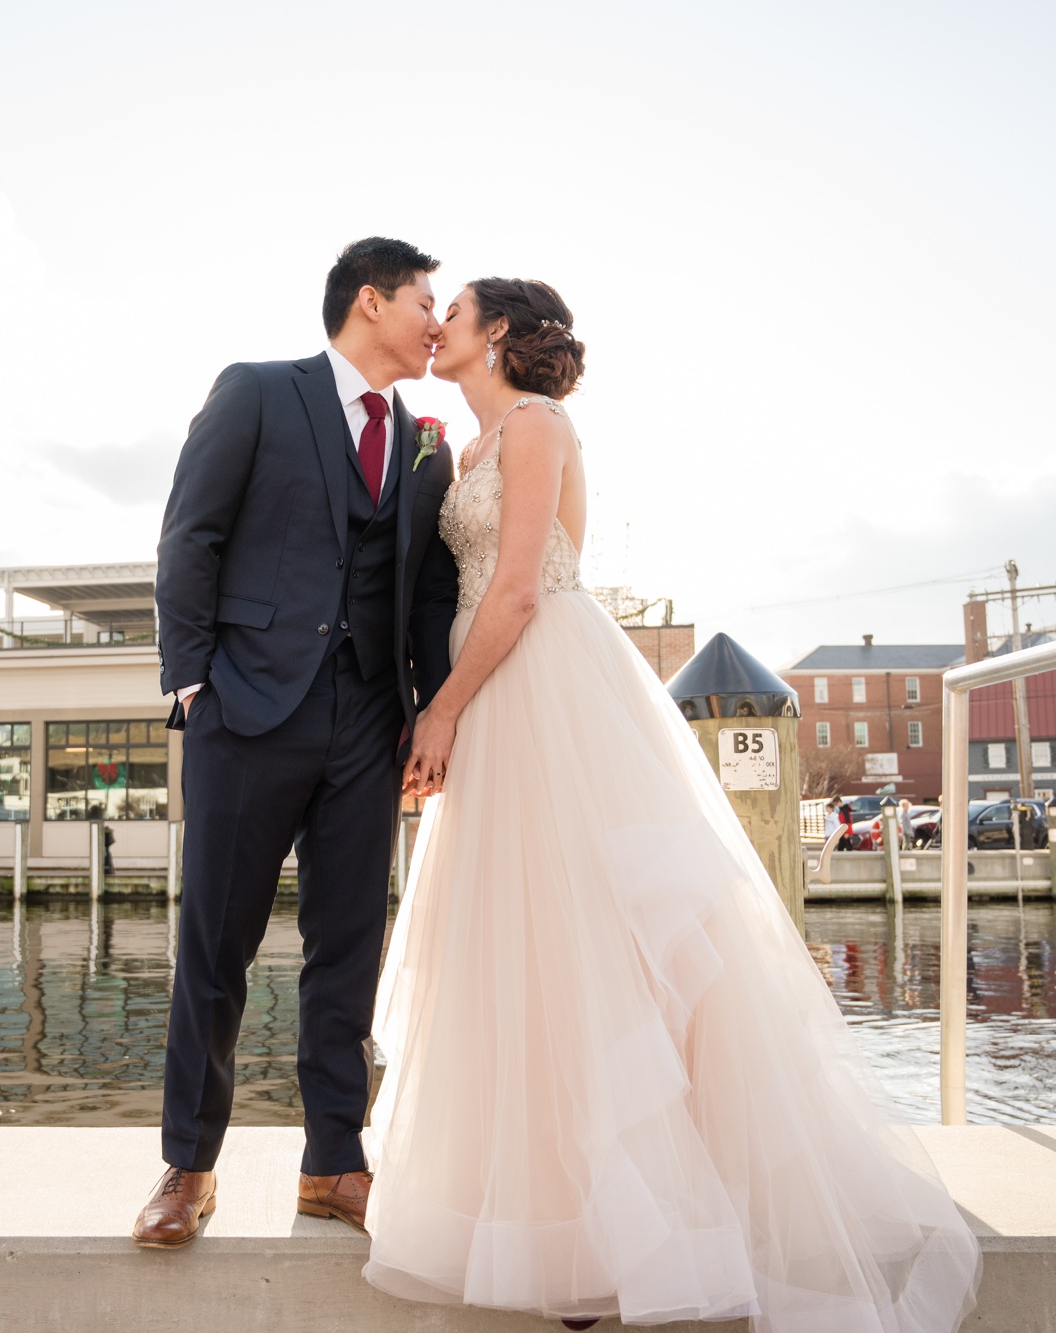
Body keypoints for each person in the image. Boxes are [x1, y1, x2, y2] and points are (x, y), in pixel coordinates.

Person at [365, 277, 980, 1331]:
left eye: (456, 306)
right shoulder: (463, 447)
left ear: (498, 332)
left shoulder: (536, 425)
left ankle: (633, 1224)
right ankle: (549, 1211)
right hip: (496, 692)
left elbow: (516, 590)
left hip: (541, 684)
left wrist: (442, 714)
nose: (441, 320)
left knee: (589, 942)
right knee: (519, 948)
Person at [133, 238, 461, 1248]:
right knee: (216, 946)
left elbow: (428, 595)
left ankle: (334, 1163)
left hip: (366, 723)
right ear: (369, 302)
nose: (435, 322)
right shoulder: (257, 392)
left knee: (346, 949)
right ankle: (187, 1167)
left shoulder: (423, 441)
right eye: (422, 301)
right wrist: (192, 684)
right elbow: (190, 534)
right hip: (245, 710)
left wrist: (427, 712)